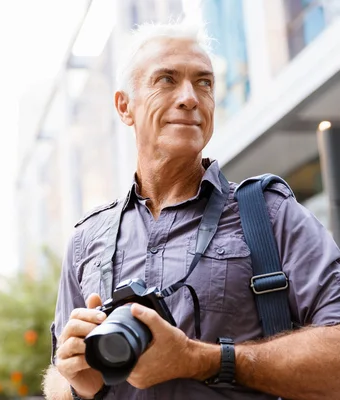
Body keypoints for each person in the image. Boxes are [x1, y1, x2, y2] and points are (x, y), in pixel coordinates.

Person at [42, 22, 340, 400]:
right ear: (124, 106)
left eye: (204, 83)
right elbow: (57, 374)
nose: (190, 97)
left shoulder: (272, 215)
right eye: (166, 80)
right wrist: (77, 386)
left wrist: (201, 360)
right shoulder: (86, 240)